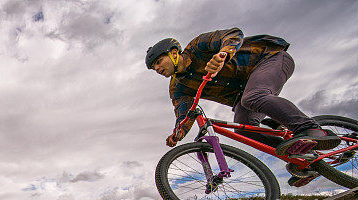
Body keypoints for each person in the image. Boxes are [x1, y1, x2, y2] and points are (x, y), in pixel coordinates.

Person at [146, 28, 340, 161]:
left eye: (158, 61)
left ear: (173, 52)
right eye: (153, 67)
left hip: (269, 59)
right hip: (245, 96)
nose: (157, 68)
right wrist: (177, 134)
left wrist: (223, 54)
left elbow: (233, 34)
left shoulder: (197, 46)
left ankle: (312, 129)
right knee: (244, 130)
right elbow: (184, 113)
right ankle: (301, 158)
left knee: (253, 96)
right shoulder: (178, 87)